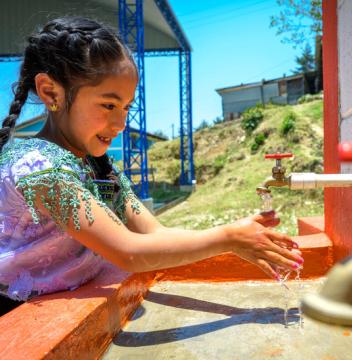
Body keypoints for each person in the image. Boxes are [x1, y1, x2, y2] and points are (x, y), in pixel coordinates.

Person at [0, 17, 303, 313]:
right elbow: (128, 252)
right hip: (20, 320)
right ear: (51, 92)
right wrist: (228, 239)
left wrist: (234, 234)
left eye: (126, 106)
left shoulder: (96, 165)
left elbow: (154, 234)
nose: (120, 123)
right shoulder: (39, 168)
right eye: (108, 105)